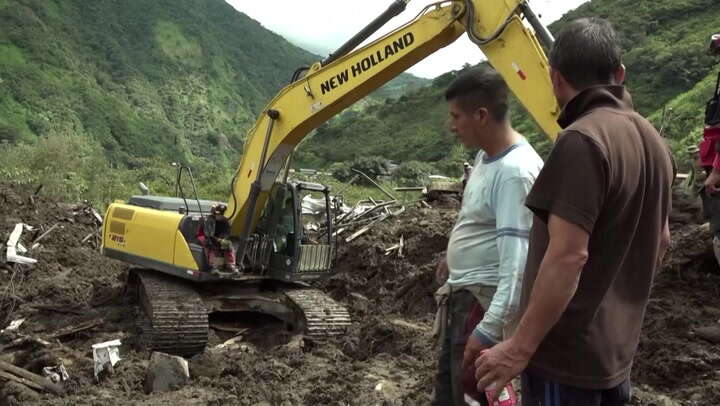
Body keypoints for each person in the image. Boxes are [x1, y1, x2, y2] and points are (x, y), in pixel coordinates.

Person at [473, 18, 675, 405]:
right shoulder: (656, 144)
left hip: (565, 362)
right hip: (615, 357)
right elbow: (661, 240)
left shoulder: (582, 140)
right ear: (620, 74)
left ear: (555, 78)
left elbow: (568, 254)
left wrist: (519, 347)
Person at [432, 66, 543, 406]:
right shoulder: (486, 157)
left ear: (481, 115)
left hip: (482, 306)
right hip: (465, 298)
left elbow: (516, 266)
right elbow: (476, 218)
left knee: (472, 397)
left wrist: (487, 331)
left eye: (456, 116)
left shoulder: (514, 173)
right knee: (452, 394)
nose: (452, 126)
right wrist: (450, 257)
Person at [198, 203, 238, 274]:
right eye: (217, 214)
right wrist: (217, 240)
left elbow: (226, 233)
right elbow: (208, 233)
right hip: (204, 236)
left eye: (220, 214)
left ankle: (230, 265)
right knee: (210, 244)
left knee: (228, 244)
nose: (219, 216)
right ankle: (214, 267)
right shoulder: (209, 220)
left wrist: (222, 239)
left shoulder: (225, 222)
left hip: (217, 238)